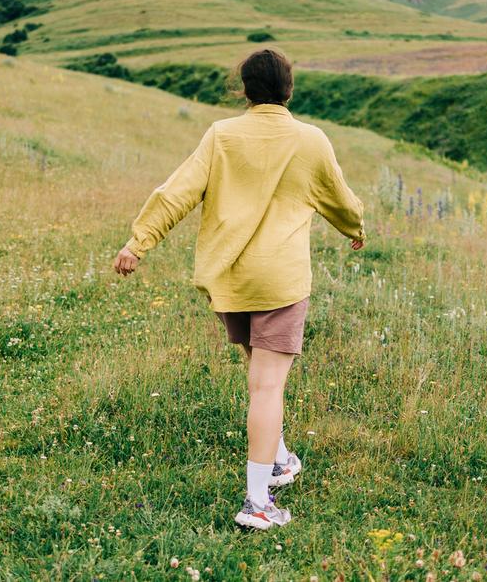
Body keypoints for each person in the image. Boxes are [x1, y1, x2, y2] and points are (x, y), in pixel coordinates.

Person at [112, 48, 365, 530]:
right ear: (289, 90)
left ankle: (281, 459)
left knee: (259, 380)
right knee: (267, 387)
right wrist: (356, 228)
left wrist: (137, 242)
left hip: (232, 278)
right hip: (280, 281)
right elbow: (340, 199)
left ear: (244, 90)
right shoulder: (310, 140)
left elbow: (178, 191)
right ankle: (257, 502)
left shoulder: (222, 136)